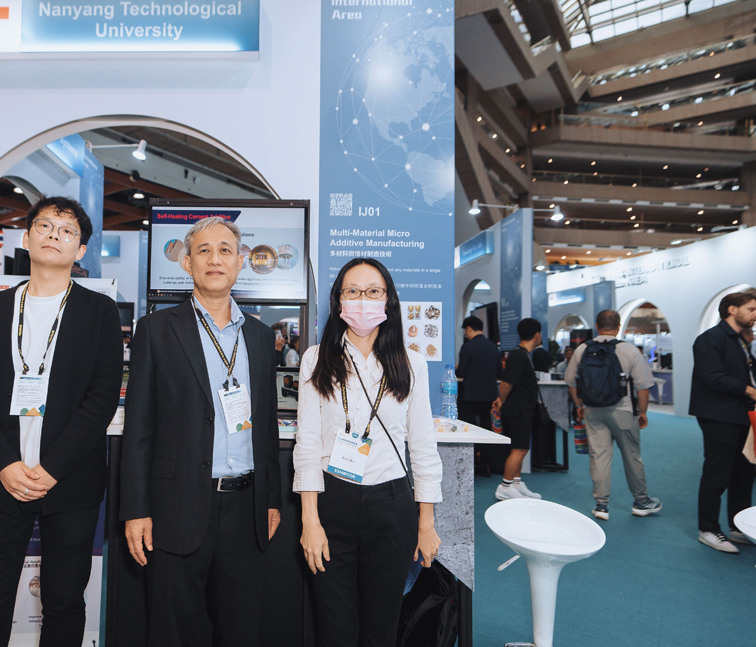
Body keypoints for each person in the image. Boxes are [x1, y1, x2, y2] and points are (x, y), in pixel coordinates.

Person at [0, 196, 123, 646]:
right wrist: (4, 464)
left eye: (67, 231)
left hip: (71, 482)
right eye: (45, 226)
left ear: (80, 250)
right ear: (27, 237)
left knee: (64, 601)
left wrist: (52, 468)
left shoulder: (99, 312)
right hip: (4, 478)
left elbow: (101, 398)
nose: (54, 235)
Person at [121, 216, 281, 647]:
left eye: (225, 250)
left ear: (240, 262)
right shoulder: (156, 330)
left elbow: (266, 427)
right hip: (177, 506)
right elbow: (139, 427)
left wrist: (270, 499)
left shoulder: (260, 337)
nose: (215, 259)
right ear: (187, 262)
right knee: (172, 631)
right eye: (204, 250)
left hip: (247, 509)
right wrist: (135, 509)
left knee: (241, 631)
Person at [294, 258, 441, 647]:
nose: (363, 300)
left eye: (373, 291)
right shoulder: (315, 359)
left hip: (391, 505)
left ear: (388, 299)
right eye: (353, 291)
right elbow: (307, 444)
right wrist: (310, 521)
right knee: (334, 630)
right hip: (332, 503)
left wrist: (426, 523)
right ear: (338, 300)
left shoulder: (411, 363)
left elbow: (423, 446)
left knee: (381, 631)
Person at [566, 310, 661, 521]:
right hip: (623, 410)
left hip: (593, 411)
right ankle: (641, 502)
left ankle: (601, 505)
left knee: (599, 457)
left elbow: (571, 382)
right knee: (632, 456)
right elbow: (642, 387)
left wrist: (579, 405)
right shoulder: (629, 350)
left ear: (596, 326)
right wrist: (643, 412)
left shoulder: (582, 349)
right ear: (618, 327)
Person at [690, 292, 756, 553]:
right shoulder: (710, 339)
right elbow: (713, 377)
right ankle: (708, 529)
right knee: (717, 473)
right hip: (718, 416)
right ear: (732, 310)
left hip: (742, 415)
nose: (755, 315)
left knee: (744, 473)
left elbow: (746, 373)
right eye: (751, 309)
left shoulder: (741, 340)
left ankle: (738, 527)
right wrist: (750, 391)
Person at [496, 318, 543, 501]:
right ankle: (505, 486)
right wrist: (502, 401)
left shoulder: (522, 354)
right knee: (519, 449)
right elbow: (506, 383)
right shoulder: (519, 355)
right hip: (518, 410)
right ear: (537, 335)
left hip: (522, 409)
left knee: (520, 448)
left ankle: (516, 483)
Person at [456, 315, 502, 477]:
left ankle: (470, 462)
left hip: (471, 396)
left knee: (467, 428)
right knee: (486, 429)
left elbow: (461, 373)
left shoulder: (468, 347)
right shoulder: (493, 347)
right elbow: (499, 373)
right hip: (490, 395)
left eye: (465, 331)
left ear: (469, 329)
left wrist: (457, 368)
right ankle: (486, 465)